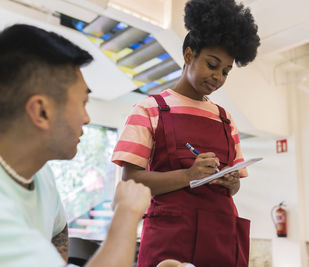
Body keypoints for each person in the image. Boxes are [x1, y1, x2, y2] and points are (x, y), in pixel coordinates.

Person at [111, 0, 260, 266]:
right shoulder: (149, 109)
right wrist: (189, 175)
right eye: (212, 65)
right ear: (189, 55)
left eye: (226, 71)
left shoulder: (225, 118)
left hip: (221, 238)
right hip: (171, 240)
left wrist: (231, 183)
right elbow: (131, 180)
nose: (218, 77)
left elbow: (234, 188)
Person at [0, 24, 151, 267]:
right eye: (83, 102)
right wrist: (127, 213)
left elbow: (58, 229)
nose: (87, 118)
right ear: (42, 111)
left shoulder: (41, 176)